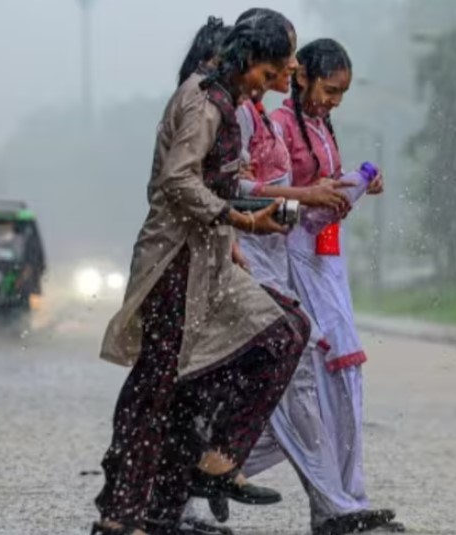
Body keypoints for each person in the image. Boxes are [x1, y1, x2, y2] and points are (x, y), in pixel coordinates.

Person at [91, 13, 308, 535]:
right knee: (157, 385)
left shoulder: (228, 101)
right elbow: (176, 182)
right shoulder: (203, 100)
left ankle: (210, 468)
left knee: (283, 331)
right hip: (174, 262)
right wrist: (237, 219)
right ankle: (123, 516)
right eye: (271, 70)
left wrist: (242, 225)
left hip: (210, 258)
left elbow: (217, 183)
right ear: (246, 59)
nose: (273, 82)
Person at [269, 39, 405, 535]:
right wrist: (315, 198)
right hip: (292, 262)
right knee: (311, 384)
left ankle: (346, 499)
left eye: (342, 94)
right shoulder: (278, 127)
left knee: (343, 382)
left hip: (328, 261)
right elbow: (270, 202)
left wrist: (356, 183)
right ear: (300, 76)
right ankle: (335, 504)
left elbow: (323, 190)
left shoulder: (322, 125)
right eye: (330, 90)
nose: (334, 102)